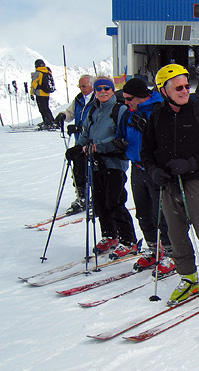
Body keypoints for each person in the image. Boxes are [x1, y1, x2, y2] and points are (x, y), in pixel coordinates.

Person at [140, 64, 199, 304]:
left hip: (195, 180)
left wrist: (191, 163)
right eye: (178, 88)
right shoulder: (157, 115)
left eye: (186, 86)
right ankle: (188, 276)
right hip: (168, 182)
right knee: (175, 231)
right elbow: (146, 150)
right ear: (164, 91)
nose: (184, 91)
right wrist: (153, 170)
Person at [67, 77, 138, 256]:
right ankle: (109, 235)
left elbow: (122, 137)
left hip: (114, 162)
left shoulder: (120, 110)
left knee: (115, 201)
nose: (103, 91)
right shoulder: (93, 110)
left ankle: (128, 240)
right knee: (100, 202)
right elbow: (86, 133)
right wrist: (78, 147)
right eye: (99, 89)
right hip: (96, 163)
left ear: (112, 90)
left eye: (107, 88)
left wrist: (98, 146)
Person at [115, 77, 175, 275]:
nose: (126, 102)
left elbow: (168, 139)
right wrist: (120, 143)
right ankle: (153, 248)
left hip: (155, 168)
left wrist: (148, 129)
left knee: (161, 213)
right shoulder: (128, 113)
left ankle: (171, 253)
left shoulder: (159, 108)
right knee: (143, 212)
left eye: (129, 98)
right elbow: (121, 133)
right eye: (124, 98)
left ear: (142, 96)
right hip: (137, 167)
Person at [55, 75, 94, 214]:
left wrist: (81, 128)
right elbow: (70, 113)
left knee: (93, 170)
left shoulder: (97, 99)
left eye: (84, 86)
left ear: (91, 85)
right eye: (80, 86)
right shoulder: (78, 99)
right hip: (80, 142)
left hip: (93, 142)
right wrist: (63, 116)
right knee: (78, 169)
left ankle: (96, 196)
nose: (81, 89)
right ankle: (81, 196)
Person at [30, 59, 55, 128]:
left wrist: (32, 93)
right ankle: (51, 121)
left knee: (42, 109)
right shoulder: (47, 71)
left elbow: (34, 84)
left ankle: (47, 122)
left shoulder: (38, 73)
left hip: (40, 93)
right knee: (46, 108)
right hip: (47, 93)